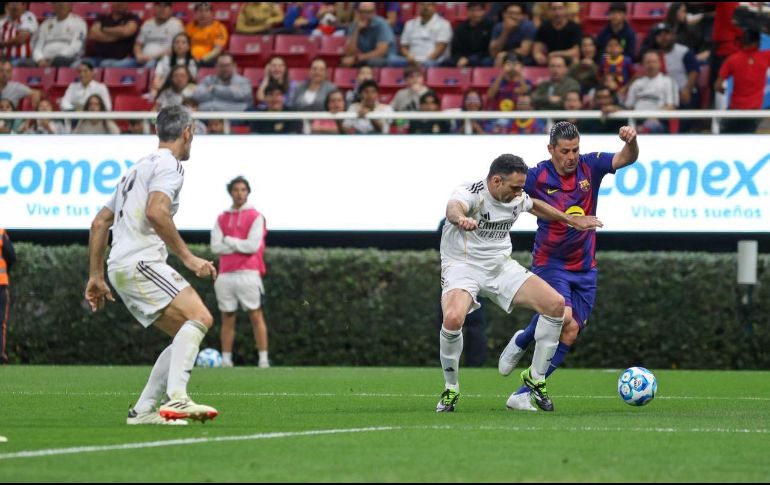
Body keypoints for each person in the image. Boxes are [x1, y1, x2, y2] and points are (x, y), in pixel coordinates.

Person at [85, 105, 219, 425]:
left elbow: (100, 222)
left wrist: (95, 275)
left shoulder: (136, 169)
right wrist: (188, 258)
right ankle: (178, 399)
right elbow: (157, 211)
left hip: (123, 264)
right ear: (187, 132)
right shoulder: (170, 165)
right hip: (140, 261)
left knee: (186, 331)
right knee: (200, 316)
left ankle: (143, 410)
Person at [438, 154, 603, 413]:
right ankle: (451, 389)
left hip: (500, 266)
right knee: (453, 319)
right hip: (463, 266)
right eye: (515, 186)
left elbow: (535, 204)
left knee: (556, 304)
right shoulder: (473, 193)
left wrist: (571, 220)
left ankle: (535, 379)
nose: (519, 192)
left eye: (521, 186)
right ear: (495, 180)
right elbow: (453, 207)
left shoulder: (517, 197)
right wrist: (461, 219)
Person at [498, 121, 639, 411]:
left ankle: (522, 393)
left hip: (585, 267)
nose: (571, 156)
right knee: (562, 314)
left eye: (575, 149)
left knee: (571, 330)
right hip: (550, 262)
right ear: (551, 150)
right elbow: (507, 190)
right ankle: (524, 339)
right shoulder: (537, 175)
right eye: (565, 151)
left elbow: (627, 158)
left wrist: (631, 142)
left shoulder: (591, 167)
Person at [210, 176, 270, 369]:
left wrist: (229, 240)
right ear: (231, 192)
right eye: (236, 190)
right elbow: (215, 247)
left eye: (243, 190)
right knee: (227, 316)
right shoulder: (222, 217)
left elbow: (252, 246)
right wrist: (238, 244)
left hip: (249, 273)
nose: (239, 193)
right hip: (226, 274)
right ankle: (226, 361)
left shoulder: (256, 216)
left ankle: (263, 360)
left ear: (248, 192)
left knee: (256, 315)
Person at [0, 227, 16, 364]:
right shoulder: (0, 232)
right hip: (1, 283)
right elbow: (11, 256)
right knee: (0, 322)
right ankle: (0, 354)